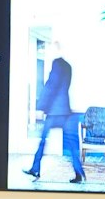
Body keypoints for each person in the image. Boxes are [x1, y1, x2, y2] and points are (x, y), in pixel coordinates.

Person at [24, 41, 86, 183]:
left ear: (54, 50)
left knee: (42, 141)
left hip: (54, 111)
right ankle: (79, 172)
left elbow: (51, 86)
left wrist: (41, 107)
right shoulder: (68, 66)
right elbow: (64, 87)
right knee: (71, 143)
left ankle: (35, 169)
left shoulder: (56, 64)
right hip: (65, 109)